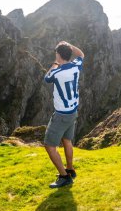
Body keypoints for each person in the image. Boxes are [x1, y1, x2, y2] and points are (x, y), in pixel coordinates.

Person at [43, 41, 84, 188]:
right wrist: (69, 46)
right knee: (67, 140)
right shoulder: (76, 66)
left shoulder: (56, 72)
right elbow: (81, 54)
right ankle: (70, 169)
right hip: (73, 111)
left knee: (49, 146)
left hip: (61, 115)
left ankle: (64, 176)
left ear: (58, 55)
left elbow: (46, 78)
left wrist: (55, 63)